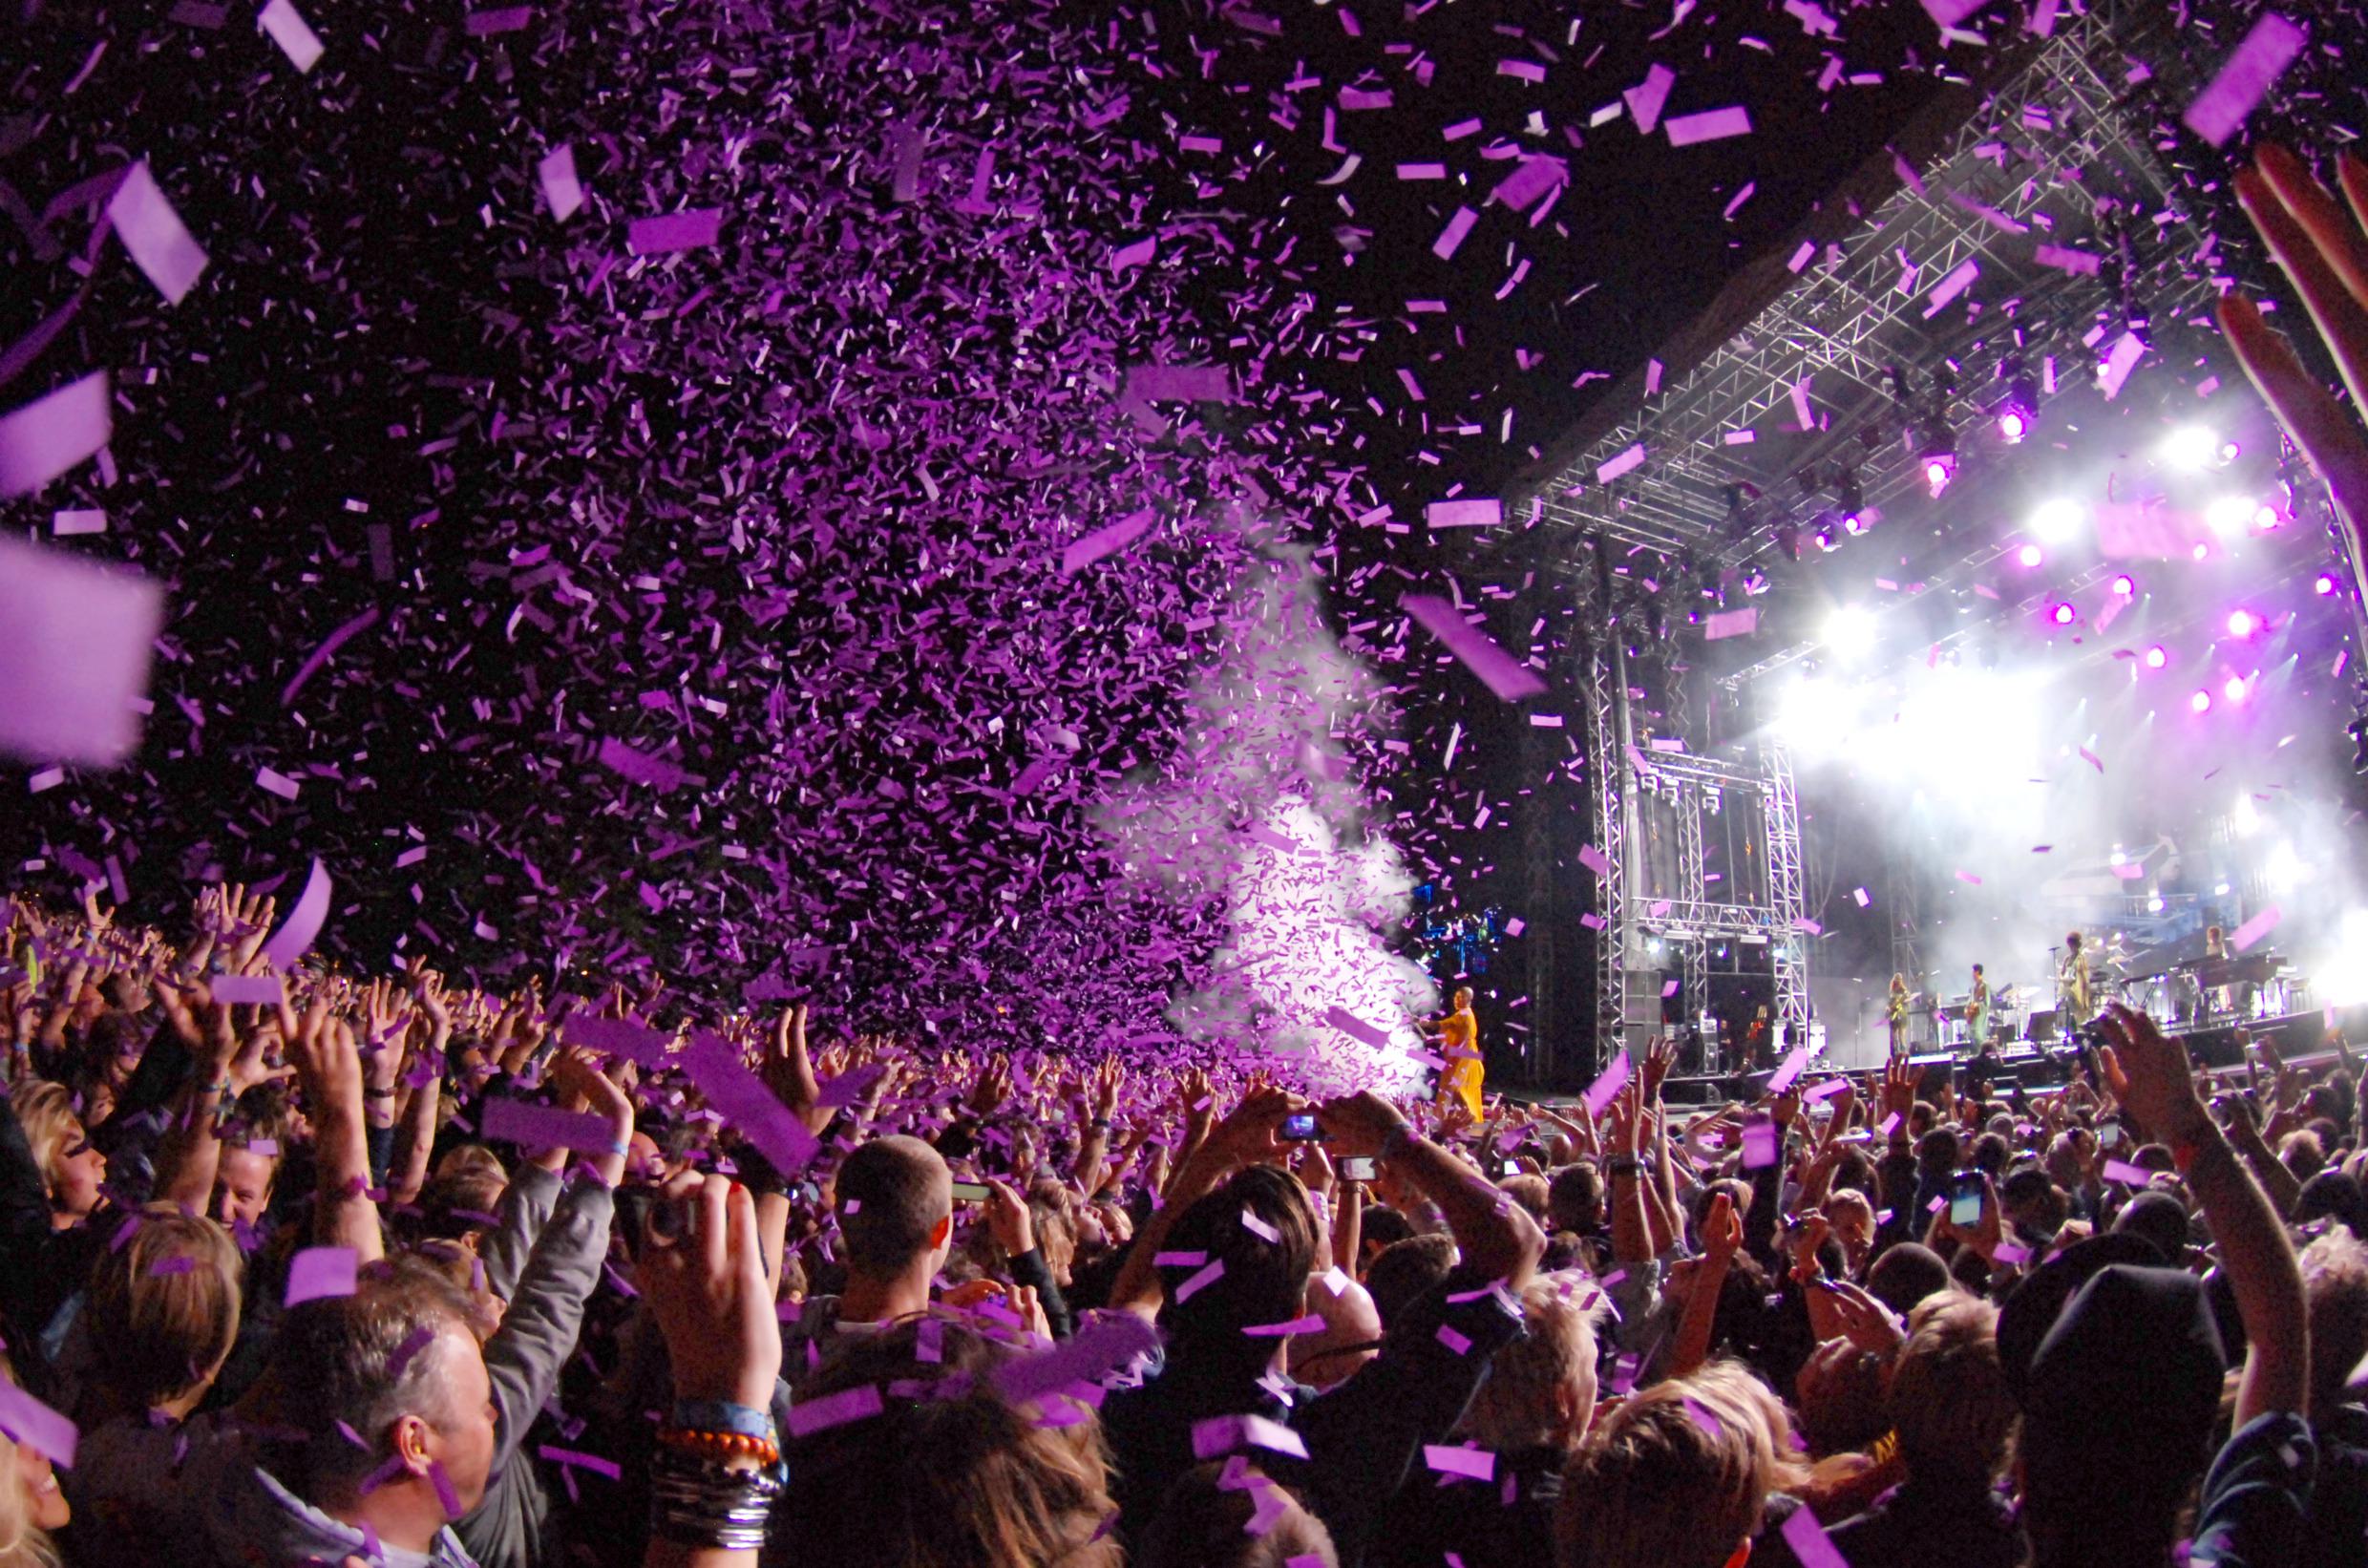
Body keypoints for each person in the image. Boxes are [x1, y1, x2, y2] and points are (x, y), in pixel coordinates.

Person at [1422, 988, 1483, 1121]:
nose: (1457, 1000)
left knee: (1456, 1088)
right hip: (1461, 1054)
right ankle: (1450, 1117)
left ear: (1469, 999)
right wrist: (1434, 1039)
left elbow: (1444, 1024)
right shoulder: (1463, 1014)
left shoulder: (1464, 1014)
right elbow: (1452, 1032)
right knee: (1452, 1087)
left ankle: (1466, 1118)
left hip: (1464, 1056)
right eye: (1456, 997)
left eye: (1461, 997)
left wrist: (1425, 1023)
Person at [1963, 965, 1988, 1054]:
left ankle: (1983, 1055)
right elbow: (1970, 1001)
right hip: (1973, 1015)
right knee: (1972, 1035)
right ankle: (1977, 1054)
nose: (1972, 974)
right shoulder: (1973, 987)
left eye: (1973, 972)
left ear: (1977, 972)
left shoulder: (1985, 985)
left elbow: (1987, 1002)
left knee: (1978, 1036)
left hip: (1980, 1014)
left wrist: (1977, 1006)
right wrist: (1967, 1009)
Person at [1885, 975, 1909, 1054]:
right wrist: (1888, 1008)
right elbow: (1889, 1002)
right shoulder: (1892, 991)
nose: (1897, 982)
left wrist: (1902, 1001)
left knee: (1901, 1034)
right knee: (1893, 1035)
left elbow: (1907, 1000)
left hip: (1902, 1013)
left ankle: (1903, 1051)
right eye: (1896, 980)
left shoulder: (1904, 990)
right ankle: (1895, 1051)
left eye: (1898, 980)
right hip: (1893, 1015)